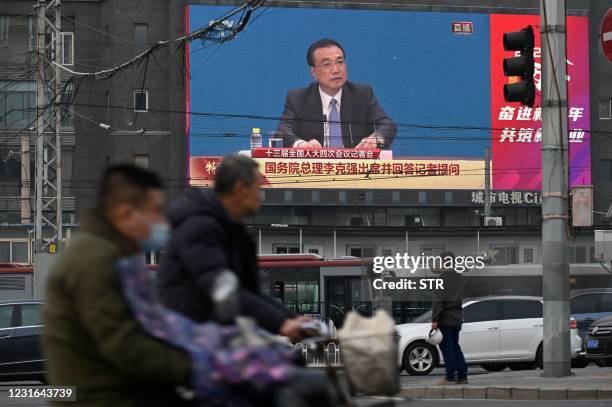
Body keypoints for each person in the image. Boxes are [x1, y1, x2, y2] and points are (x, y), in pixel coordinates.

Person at [43, 165, 192, 406]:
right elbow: (125, 344)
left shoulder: (115, 254)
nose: (163, 222)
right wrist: (198, 366)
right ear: (126, 214)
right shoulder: (95, 259)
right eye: (156, 212)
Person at [157, 155, 309, 343]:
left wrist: (291, 319)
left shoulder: (234, 231)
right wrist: (281, 324)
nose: (260, 197)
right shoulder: (198, 228)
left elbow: (248, 291)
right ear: (239, 189)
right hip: (189, 340)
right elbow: (224, 290)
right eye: (257, 189)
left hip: (213, 334)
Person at [277, 38, 396, 149]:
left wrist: (376, 138)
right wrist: (301, 144)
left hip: (354, 167)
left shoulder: (362, 94)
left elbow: (387, 125)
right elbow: (283, 130)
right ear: (313, 72)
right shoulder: (298, 98)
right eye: (327, 64)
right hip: (316, 166)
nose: (336, 70)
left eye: (340, 62)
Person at [431, 251, 468, 385]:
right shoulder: (460, 278)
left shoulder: (441, 279)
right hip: (457, 318)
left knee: (447, 348)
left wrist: (435, 320)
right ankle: (462, 376)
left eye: (439, 262)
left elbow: (438, 302)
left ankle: (450, 376)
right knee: (455, 347)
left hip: (445, 318)